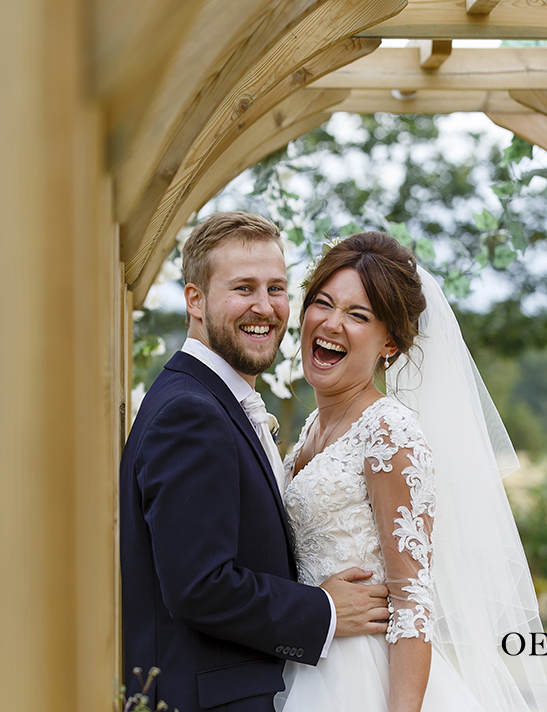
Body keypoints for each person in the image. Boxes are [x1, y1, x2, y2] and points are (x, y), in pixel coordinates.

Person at [276, 232, 547, 712]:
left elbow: (412, 603)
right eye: (322, 303)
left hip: (363, 681)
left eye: (358, 315)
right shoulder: (311, 428)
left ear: (389, 340)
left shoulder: (388, 430)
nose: (331, 322)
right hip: (308, 659)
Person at [120, 212, 390, 712]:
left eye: (277, 288)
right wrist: (324, 611)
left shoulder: (212, 400)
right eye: (243, 288)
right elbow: (199, 587)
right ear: (194, 299)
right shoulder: (191, 413)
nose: (264, 308)